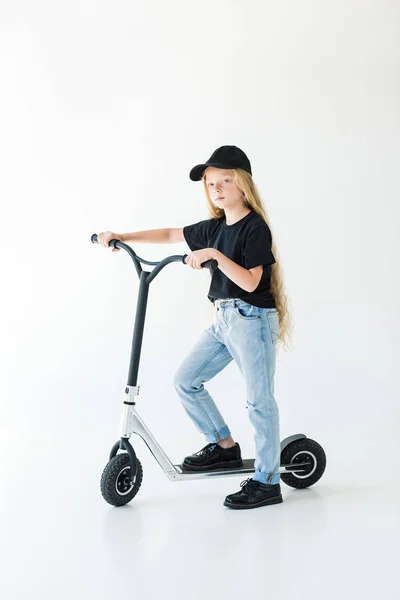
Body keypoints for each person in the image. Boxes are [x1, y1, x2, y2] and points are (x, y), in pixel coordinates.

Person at [98, 144, 292, 510]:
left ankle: (268, 481)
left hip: (252, 319)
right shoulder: (214, 228)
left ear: (243, 184)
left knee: (258, 401)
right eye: (209, 183)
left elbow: (252, 283)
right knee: (186, 380)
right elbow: (172, 234)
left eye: (224, 180)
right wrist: (123, 236)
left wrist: (216, 257)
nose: (216, 188)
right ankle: (224, 447)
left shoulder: (255, 229)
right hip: (224, 319)